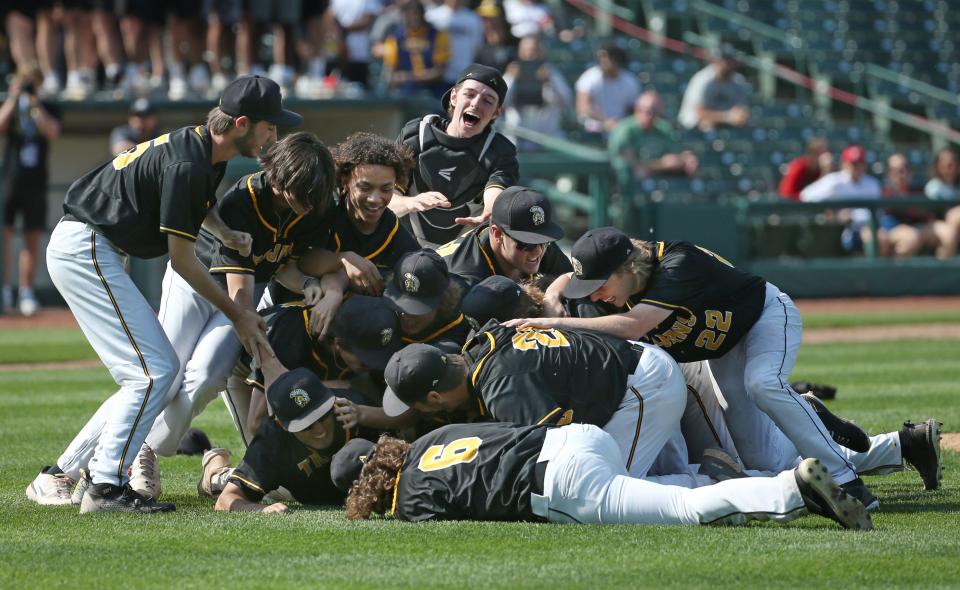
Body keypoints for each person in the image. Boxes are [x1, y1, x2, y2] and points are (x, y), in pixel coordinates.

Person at [25, 76, 298, 513]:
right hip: (87, 247)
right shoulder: (191, 162)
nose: (275, 135)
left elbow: (194, 203)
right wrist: (237, 313)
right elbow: (185, 261)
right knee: (152, 372)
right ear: (243, 123)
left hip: (94, 247)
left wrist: (226, 232)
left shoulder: (201, 147)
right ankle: (104, 487)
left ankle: (70, 476)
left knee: (153, 371)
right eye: (270, 126)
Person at [506, 227, 886, 509]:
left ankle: (845, 479)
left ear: (627, 268)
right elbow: (566, 278)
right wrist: (555, 294)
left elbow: (636, 324)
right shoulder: (614, 277)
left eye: (599, 284)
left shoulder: (678, 263)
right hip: (720, 350)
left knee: (763, 383)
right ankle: (809, 408)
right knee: (761, 461)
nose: (593, 295)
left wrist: (555, 323)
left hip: (763, 318)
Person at [336, 423, 872, 530]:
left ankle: (791, 488)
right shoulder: (433, 436)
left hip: (560, 485)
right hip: (577, 439)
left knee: (682, 512)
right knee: (672, 493)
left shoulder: (407, 501)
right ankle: (754, 482)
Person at [380, 320, 689, 480]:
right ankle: (714, 478)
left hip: (642, 387)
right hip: (632, 367)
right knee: (666, 473)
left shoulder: (503, 389)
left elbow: (558, 449)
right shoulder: (479, 346)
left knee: (608, 489)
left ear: (434, 396)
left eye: (418, 406)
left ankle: (722, 487)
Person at [199, 358, 375, 512]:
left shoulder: (350, 409)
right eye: (307, 426)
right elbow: (225, 501)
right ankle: (217, 473)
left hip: (329, 486)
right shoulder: (273, 440)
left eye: (323, 416)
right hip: (286, 489)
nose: (320, 430)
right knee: (259, 489)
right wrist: (261, 510)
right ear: (283, 425)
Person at [392, 63, 518, 247]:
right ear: (453, 96)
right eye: (470, 94)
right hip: (406, 248)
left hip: (463, 256)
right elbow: (387, 200)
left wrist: (491, 210)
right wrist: (411, 202)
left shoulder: (499, 151)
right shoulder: (415, 136)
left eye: (488, 100)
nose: (475, 103)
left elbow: (496, 189)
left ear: (496, 113)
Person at [0, 66, 61, 316]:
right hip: (9, 181)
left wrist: (36, 103)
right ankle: (4, 290)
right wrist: (14, 97)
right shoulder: (13, 106)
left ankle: (26, 291)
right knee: (4, 236)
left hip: (36, 183)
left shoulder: (47, 106)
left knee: (32, 238)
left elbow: (53, 131)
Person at [437, 185, 571, 288]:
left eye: (544, 240)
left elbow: (575, 282)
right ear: (497, 234)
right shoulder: (466, 278)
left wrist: (555, 292)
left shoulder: (539, 247)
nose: (538, 251)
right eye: (527, 243)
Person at [383, 249, 472, 351]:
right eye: (400, 306)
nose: (405, 316)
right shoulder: (382, 310)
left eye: (415, 309)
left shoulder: (459, 323)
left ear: (442, 303)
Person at [608, 91, 698, 190]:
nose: (651, 115)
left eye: (656, 111)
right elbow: (634, 169)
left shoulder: (663, 129)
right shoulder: (625, 131)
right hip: (630, 187)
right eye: (648, 111)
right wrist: (660, 164)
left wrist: (684, 160)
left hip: (662, 182)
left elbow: (673, 157)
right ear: (637, 109)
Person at [800, 145, 882, 252]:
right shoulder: (835, 181)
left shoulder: (872, 184)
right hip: (843, 230)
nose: (855, 167)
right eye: (852, 163)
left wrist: (852, 215)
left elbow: (877, 213)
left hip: (867, 227)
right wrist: (830, 211)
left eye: (859, 164)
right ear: (844, 164)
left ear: (864, 166)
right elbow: (805, 196)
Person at [501, 35, 573, 149]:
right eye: (525, 51)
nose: (529, 55)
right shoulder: (513, 72)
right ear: (519, 52)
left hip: (547, 138)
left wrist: (549, 80)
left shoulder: (550, 72)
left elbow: (566, 99)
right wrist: (511, 79)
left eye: (534, 51)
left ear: (541, 52)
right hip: (517, 138)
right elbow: (500, 101)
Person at [382, 0, 450, 98]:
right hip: (405, 92)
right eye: (409, 15)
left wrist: (409, 76)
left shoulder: (437, 36)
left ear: (423, 15)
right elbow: (392, 75)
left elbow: (439, 72)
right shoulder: (395, 39)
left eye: (416, 14)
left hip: (432, 91)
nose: (413, 18)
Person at [878, 154, 938, 259]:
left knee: (947, 233)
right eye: (896, 170)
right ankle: (897, 274)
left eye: (905, 169)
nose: (902, 174)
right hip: (892, 230)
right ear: (889, 173)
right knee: (911, 238)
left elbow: (928, 215)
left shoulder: (919, 190)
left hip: (918, 228)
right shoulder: (884, 192)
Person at [678, 48, 751, 131]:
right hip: (691, 127)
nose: (725, 64)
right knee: (706, 124)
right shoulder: (702, 80)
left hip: (723, 125)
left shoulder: (738, 81)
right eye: (722, 60)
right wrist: (728, 117)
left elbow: (741, 111)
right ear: (714, 61)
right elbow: (699, 113)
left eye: (728, 61)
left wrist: (738, 116)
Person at [574, 44, 641, 134]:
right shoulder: (589, 77)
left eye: (607, 58)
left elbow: (634, 110)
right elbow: (583, 108)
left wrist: (621, 124)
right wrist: (605, 122)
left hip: (620, 129)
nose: (603, 61)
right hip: (593, 130)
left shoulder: (630, 81)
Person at [425, 0, 484, 89]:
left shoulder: (473, 18)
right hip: (436, 75)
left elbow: (476, 46)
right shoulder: (432, 16)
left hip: (463, 74)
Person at [924, 147, 960, 258]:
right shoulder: (933, 186)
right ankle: (943, 272)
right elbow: (936, 214)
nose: (950, 166)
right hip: (935, 225)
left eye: (953, 163)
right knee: (949, 234)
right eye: (945, 163)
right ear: (938, 166)